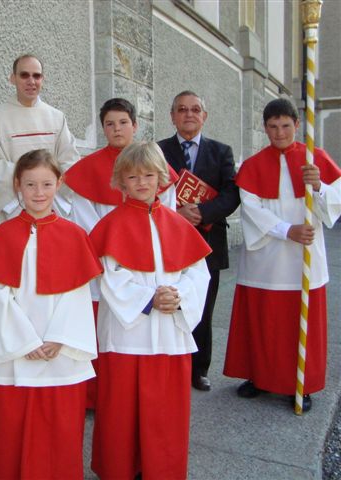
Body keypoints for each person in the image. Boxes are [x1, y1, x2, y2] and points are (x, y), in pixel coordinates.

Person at [0, 149, 102, 480]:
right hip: (15, 353)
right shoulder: (0, 236)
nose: (39, 193)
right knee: (12, 430)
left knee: (60, 433)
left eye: (46, 184)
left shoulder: (75, 236)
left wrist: (60, 338)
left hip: (61, 353)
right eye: (30, 185)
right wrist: (25, 341)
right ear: (17, 185)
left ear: (59, 184)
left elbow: (78, 295)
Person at [89, 141, 212, 480]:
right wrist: (149, 299)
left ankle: (162, 469)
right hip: (128, 334)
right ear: (121, 182)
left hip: (170, 332)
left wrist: (178, 296)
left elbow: (198, 274)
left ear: (161, 178)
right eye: (132, 176)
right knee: (121, 409)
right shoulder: (111, 225)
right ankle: (119, 468)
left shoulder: (179, 224)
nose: (141, 183)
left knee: (165, 411)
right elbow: (110, 277)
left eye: (148, 175)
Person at [223, 98, 341, 412]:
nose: (279, 133)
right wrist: (288, 230)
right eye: (273, 126)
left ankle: (300, 383)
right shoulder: (253, 166)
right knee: (263, 323)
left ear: (297, 125)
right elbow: (251, 211)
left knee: (300, 324)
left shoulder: (315, 159)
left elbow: (336, 202)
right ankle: (259, 377)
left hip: (304, 258)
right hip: (266, 260)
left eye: (285, 126)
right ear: (265, 127)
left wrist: (319, 186)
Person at [65, 97, 177, 408]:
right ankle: (96, 397)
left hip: (149, 264)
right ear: (103, 128)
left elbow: (167, 215)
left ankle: (137, 398)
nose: (117, 129)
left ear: (135, 125)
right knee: (102, 330)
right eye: (110, 124)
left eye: (123, 122)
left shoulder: (153, 164)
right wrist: (112, 249)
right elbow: (85, 220)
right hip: (104, 262)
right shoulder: (88, 170)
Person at [158, 90, 239, 391]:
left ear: (204, 116)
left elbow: (232, 194)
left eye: (194, 109)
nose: (188, 114)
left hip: (209, 242)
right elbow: (148, 188)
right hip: (169, 242)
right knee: (169, 304)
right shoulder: (158, 150)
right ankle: (169, 366)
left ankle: (198, 369)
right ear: (172, 116)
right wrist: (175, 213)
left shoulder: (221, 152)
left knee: (203, 307)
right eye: (182, 109)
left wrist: (202, 213)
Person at [0, 54, 79, 221]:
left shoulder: (56, 117)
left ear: (42, 79)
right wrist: (25, 178)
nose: (31, 81)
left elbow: (70, 162)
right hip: (13, 209)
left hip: (51, 206)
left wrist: (47, 189)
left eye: (36, 76)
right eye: (24, 75)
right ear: (13, 78)